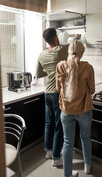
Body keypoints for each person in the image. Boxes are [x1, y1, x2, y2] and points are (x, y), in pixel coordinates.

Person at [36, 28, 80, 167]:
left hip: (47, 93)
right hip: (57, 93)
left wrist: (50, 71)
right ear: (55, 38)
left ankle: (48, 151)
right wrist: (78, 35)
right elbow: (75, 45)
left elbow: (38, 73)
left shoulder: (42, 54)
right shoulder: (60, 50)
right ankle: (56, 157)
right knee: (59, 125)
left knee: (49, 123)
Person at [56, 40, 95, 177]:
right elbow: (92, 89)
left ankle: (67, 174)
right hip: (84, 110)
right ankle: (87, 167)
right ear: (82, 53)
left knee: (67, 142)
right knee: (85, 138)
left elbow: (58, 88)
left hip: (66, 111)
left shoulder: (60, 66)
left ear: (68, 52)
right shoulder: (88, 67)